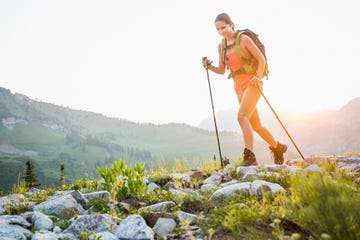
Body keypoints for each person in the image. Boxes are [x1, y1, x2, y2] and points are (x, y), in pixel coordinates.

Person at [202, 13, 287, 166]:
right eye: (218, 29)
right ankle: (278, 148)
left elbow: (261, 59)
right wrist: (209, 66)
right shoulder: (221, 47)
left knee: (241, 117)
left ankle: (249, 156)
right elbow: (222, 70)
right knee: (256, 126)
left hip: (253, 84)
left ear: (231, 24)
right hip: (238, 87)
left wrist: (258, 77)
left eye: (223, 27)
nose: (221, 31)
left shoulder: (244, 40)